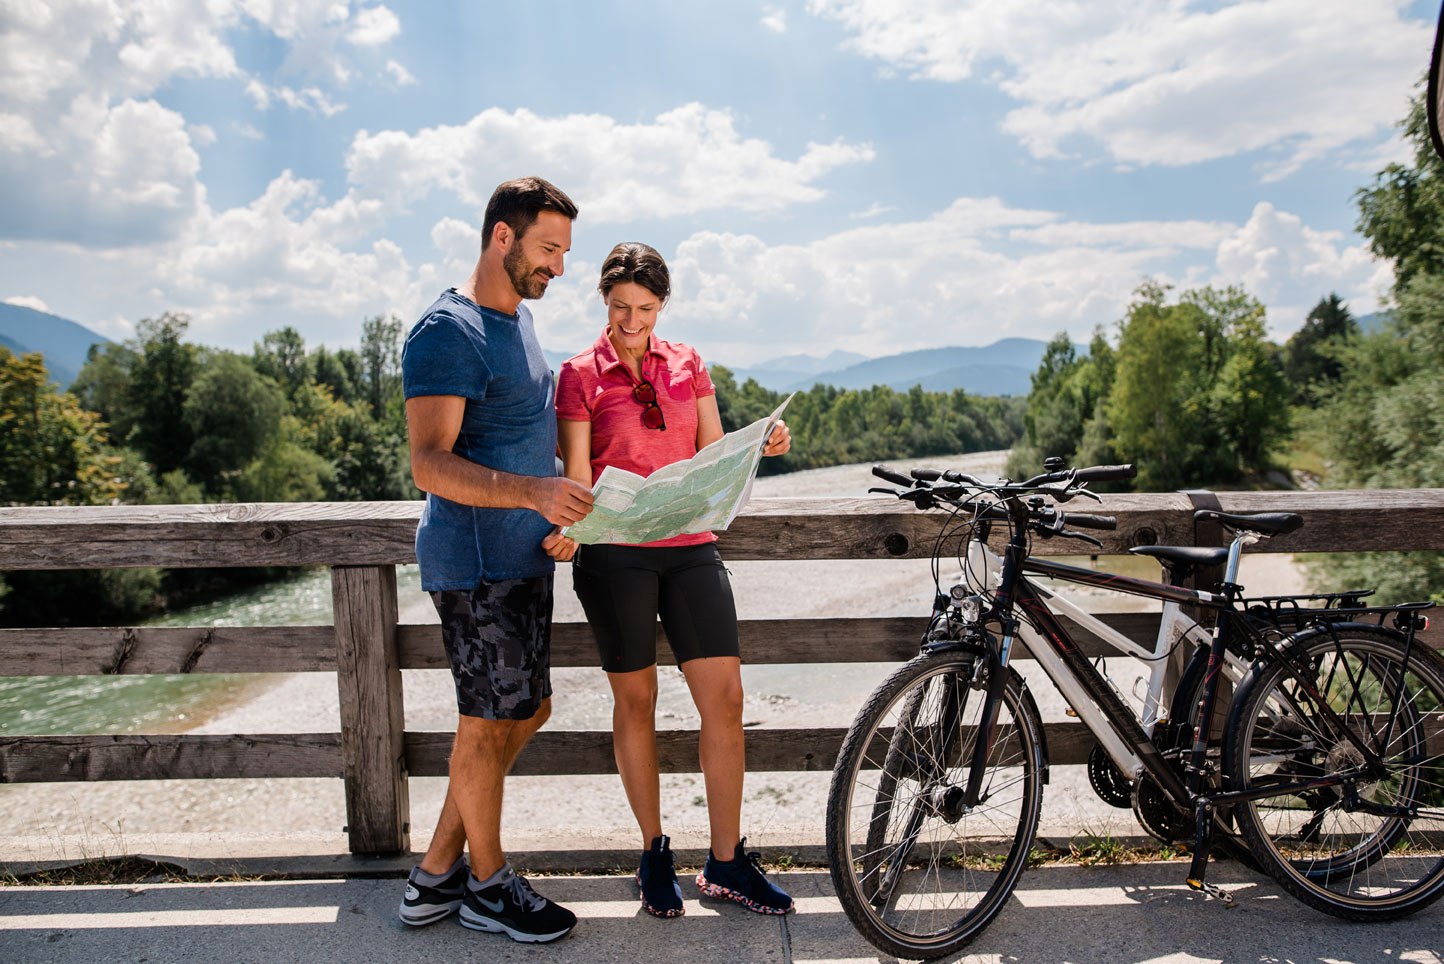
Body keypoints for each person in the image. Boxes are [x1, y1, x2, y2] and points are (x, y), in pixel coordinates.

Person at [549, 242, 794, 919]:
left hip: (689, 547)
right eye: (621, 307)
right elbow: (576, 470)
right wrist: (572, 521)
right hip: (616, 553)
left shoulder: (689, 364)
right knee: (637, 703)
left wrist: (765, 445)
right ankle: (654, 853)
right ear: (604, 300)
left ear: (663, 305)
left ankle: (725, 863)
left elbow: (713, 456)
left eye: (646, 309)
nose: (632, 321)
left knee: (727, 697)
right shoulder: (577, 374)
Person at [397, 176, 594, 945]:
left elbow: (528, 436)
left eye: (565, 252)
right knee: (485, 726)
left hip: (523, 561)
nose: (560, 267)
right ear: (502, 238)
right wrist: (535, 492)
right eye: (549, 249)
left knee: (525, 709)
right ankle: (486, 884)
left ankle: (436, 872)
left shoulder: (515, 322)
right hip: (475, 565)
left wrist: (572, 506)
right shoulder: (447, 331)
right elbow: (428, 463)